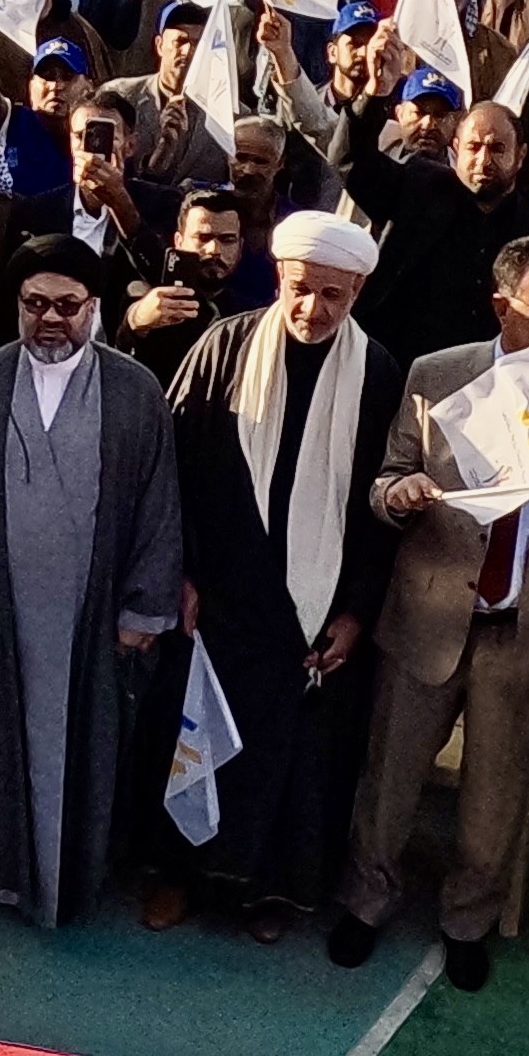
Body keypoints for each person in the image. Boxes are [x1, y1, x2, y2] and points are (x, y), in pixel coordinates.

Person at [343, 234, 529, 982]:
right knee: (389, 776)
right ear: (503, 304)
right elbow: (387, 476)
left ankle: (467, 920)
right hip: (428, 616)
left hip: (525, 631)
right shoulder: (435, 374)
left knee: (496, 796)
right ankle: (365, 901)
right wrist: (395, 495)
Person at [0, 236, 182, 925]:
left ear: (93, 309)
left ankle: (73, 870)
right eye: (34, 305)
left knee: (87, 749)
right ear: (16, 306)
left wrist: (143, 608)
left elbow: (157, 505)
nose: (49, 320)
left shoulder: (134, 391)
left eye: (66, 306)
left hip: (90, 622)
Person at [141, 212, 381, 941]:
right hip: (215, 594)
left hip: (308, 613)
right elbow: (169, 470)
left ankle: (266, 892)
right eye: (301, 289)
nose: (312, 310)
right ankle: (178, 876)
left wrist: (355, 611)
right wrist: (176, 571)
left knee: (289, 763)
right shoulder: (222, 346)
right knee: (191, 742)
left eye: (332, 296)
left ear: (357, 291)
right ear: (278, 275)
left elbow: (379, 508)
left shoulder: (380, 373)